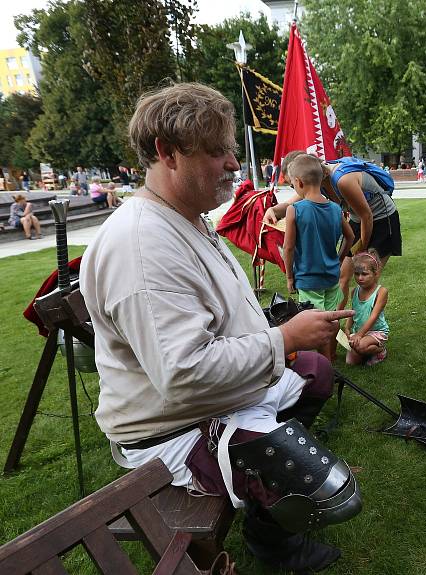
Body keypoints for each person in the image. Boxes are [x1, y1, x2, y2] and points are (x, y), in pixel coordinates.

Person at [79, 82, 360, 573]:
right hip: (173, 428)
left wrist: (280, 337)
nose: (234, 163)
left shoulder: (182, 216)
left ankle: (265, 524)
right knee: (324, 485)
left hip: (211, 400)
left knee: (315, 369)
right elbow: (183, 373)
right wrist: (282, 339)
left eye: (230, 149)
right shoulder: (143, 246)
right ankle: (271, 535)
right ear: (167, 154)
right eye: (217, 152)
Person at [267, 151, 401, 308]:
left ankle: (368, 327)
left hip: (383, 220)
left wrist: (362, 250)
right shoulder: (315, 181)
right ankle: (335, 322)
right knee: (343, 276)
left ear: (301, 179)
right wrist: (272, 210)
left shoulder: (343, 180)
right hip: (358, 220)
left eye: (292, 185)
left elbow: (367, 216)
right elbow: (290, 205)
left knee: (367, 277)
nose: (294, 189)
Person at [283, 153, 354, 361]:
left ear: (299, 182)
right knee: (330, 320)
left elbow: (288, 248)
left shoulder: (294, 210)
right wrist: (339, 259)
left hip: (307, 278)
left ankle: (319, 365)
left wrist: (289, 277)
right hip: (331, 277)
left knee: (312, 325)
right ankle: (329, 359)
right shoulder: (334, 208)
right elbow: (350, 237)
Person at [343, 249, 390, 366]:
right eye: (356, 274)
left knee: (361, 346)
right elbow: (353, 312)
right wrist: (347, 328)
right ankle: (365, 350)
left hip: (376, 331)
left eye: (364, 274)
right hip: (359, 332)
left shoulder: (381, 292)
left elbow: (373, 317)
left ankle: (381, 350)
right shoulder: (354, 291)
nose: (359, 278)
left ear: (376, 273)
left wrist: (359, 335)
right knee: (351, 362)